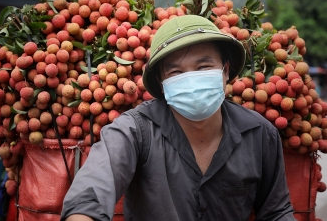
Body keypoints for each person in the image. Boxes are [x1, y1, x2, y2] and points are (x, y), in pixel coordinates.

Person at [61, 15, 296, 220]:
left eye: (204, 66)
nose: (191, 79)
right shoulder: (135, 131)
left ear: (225, 71)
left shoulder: (260, 134)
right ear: (162, 84)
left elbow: (276, 212)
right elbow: (92, 189)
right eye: (176, 72)